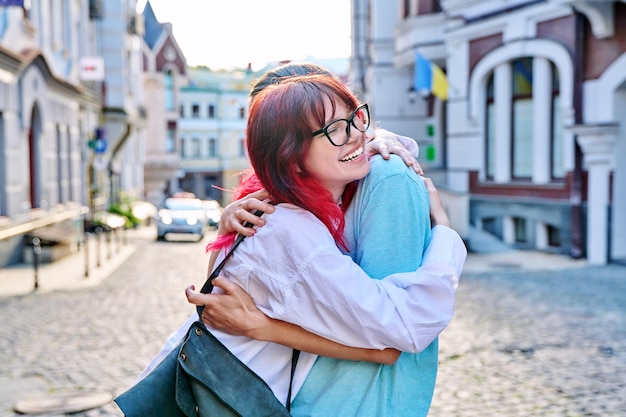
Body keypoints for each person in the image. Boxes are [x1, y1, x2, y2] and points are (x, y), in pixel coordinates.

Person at [142, 73, 466, 413]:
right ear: (290, 158)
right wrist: (444, 229)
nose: (356, 136)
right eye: (334, 130)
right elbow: (406, 330)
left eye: (355, 119)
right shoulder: (291, 233)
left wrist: (375, 140)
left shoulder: (273, 212)